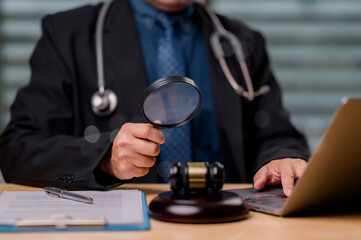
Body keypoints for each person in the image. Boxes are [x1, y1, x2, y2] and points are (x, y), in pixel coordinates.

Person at [0, 0, 309, 196]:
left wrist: (280, 161)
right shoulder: (68, 34)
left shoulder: (243, 41)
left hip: (230, 223)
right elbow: (16, 150)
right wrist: (104, 159)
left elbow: (277, 136)